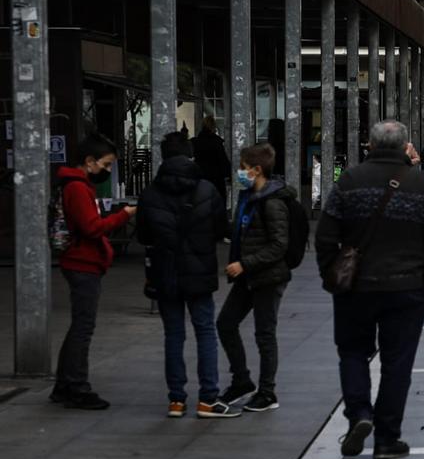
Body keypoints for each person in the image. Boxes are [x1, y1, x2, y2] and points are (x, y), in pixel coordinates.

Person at [315, 121, 424, 459]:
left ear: (371, 146)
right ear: (404, 145)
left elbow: (325, 235)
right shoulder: (421, 184)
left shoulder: (349, 180)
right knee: (397, 363)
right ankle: (387, 438)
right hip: (407, 287)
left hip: (356, 288)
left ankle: (359, 414)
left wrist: (332, 275)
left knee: (352, 352)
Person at [137, 132, 238, 418]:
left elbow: (144, 235)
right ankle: (208, 399)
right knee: (205, 332)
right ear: (190, 155)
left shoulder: (150, 194)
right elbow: (221, 230)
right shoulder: (207, 190)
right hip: (199, 272)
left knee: (173, 334)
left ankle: (176, 400)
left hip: (166, 273)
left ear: (164, 157)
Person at [51, 133, 137, 410]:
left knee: (79, 325)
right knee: (83, 327)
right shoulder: (77, 188)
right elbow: (92, 227)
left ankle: (64, 385)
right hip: (82, 262)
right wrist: (124, 215)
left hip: (80, 261)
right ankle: (77, 386)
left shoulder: (75, 184)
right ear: (89, 161)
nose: (107, 170)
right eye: (106, 164)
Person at [216, 143, 298, 413]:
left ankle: (267, 392)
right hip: (249, 275)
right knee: (226, 323)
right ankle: (241, 380)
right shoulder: (249, 196)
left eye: (243, 167)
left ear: (257, 169)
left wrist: (244, 264)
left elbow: (279, 245)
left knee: (265, 333)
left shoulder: (272, 202)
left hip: (267, 276)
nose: (240, 172)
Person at [191, 115, 231, 203]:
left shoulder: (195, 142)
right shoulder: (217, 142)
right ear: (213, 127)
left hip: (200, 178)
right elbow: (223, 161)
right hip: (216, 178)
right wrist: (229, 175)